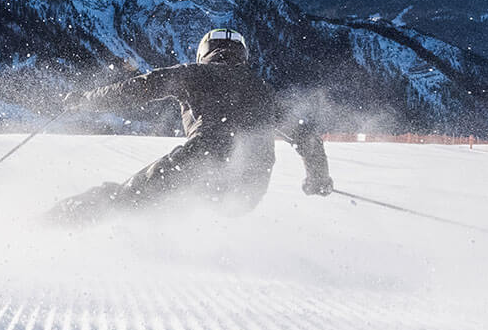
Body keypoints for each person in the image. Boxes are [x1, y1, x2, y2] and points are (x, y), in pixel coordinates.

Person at [48, 27, 331, 224]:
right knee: (175, 208)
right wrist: (318, 179)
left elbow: (135, 89)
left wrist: (85, 100)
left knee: (126, 198)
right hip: (249, 188)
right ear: (242, 56)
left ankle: (52, 224)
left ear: (204, 52)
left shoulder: (193, 74)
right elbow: (307, 137)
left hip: (203, 161)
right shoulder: (265, 91)